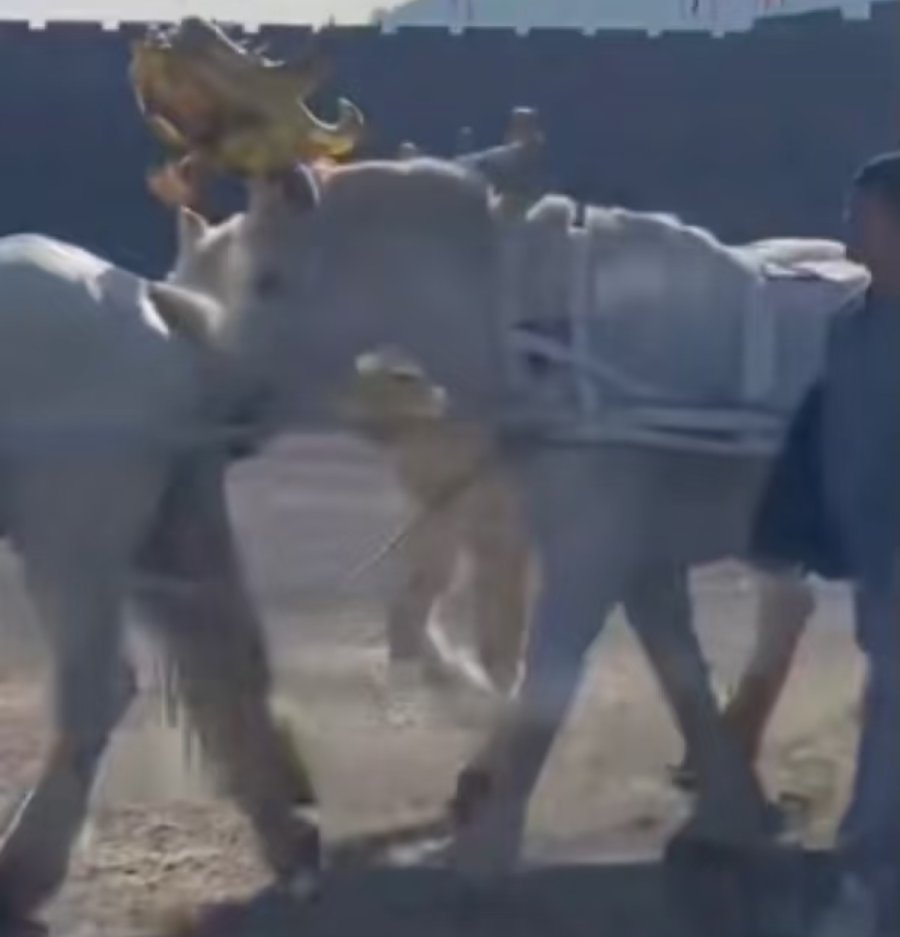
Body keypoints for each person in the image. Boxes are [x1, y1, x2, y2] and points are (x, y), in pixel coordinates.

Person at [753, 152, 900, 936]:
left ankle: (869, 883)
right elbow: (828, 434)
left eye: (864, 215)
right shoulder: (849, 326)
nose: (849, 228)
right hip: (876, 562)